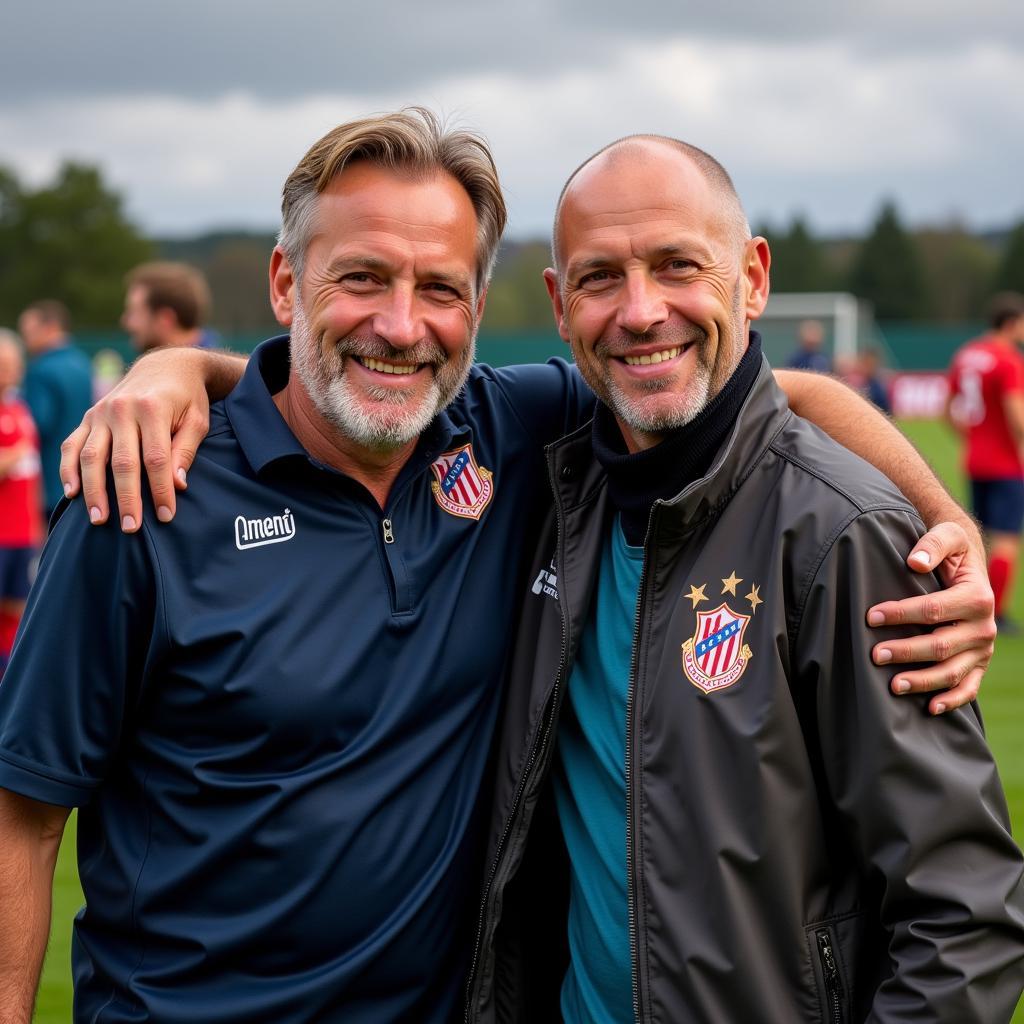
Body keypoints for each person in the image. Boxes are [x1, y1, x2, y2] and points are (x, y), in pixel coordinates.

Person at [6, 111, 995, 1023]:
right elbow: (23, 817)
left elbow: (769, 395)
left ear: (482, 306)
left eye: (438, 288)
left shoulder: (505, 431)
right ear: (281, 283)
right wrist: (167, 371)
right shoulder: (141, 493)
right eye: (359, 278)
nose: (400, 324)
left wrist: (941, 522)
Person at [463, 137, 1024, 1023]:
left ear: (752, 278)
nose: (641, 311)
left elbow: (962, 908)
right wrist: (181, 374)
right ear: (560, 305)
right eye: (601, 277)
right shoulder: (545, 485)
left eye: (678, 265)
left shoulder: (843, 534)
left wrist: (939, 516)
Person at [948, 292, 1024, 633]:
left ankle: (967, 601)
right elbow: (1017, 419)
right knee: (1006, 539)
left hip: (976, 460)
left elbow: (947, 406)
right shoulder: (1007, 359)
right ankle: (996, 613)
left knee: (979, 538)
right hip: (1007, 464)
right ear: (1012, 323)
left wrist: (972, 437)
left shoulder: (968, 354)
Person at [17, 299, 93, 518]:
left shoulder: (40, 369)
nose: (26, 339)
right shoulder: (82, 362)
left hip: (50, 479)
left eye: (29, 331)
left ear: (50, 327)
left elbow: (36, 425)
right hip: (81, 473)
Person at [0, 331, 43, 677]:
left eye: (15, 364)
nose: (11, 371)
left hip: (23, 532)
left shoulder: (19, 406)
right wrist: (11, 457)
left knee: (18, 610)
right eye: (4, 365)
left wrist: (36, 524)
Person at [121, 261, 214, 352]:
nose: (125, 322)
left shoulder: (202, 366)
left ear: (165, 319)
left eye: (134, 312)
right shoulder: (211, 363)